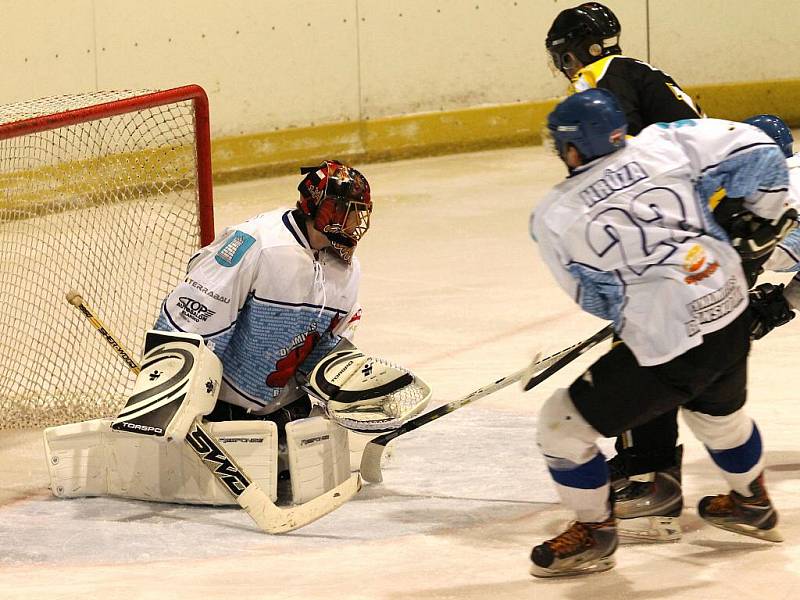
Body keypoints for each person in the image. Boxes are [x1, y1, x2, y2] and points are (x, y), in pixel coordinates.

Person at [529, 88, 793, 577]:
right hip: (731, 308)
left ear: (571, 149)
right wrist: (764, 217)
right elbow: (759, 146)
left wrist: (641, 310)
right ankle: (751, 505)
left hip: (673, 340)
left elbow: (592, 296)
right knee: (721, 420)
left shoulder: (554, 214)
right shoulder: (665, 142)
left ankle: (595, 532)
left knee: (561, 427)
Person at [545, 1, 707, 540]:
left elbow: (623, 167)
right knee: (659, 346)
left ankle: (652, 473)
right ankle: (649, 462)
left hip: (677, 236)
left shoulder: (601, 84)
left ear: (572, 51)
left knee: (648, 348)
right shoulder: (639, 74)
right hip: (693, 222)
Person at [155, 159, 372, 430]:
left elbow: (331, 343)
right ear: (325, 209)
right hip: (222, 411)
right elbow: (193, 317)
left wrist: (348, 390)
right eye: (350, 211)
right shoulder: (257, 242)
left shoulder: (348, 270)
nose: (356, 222)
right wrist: (171, 395)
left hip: (289, 408)